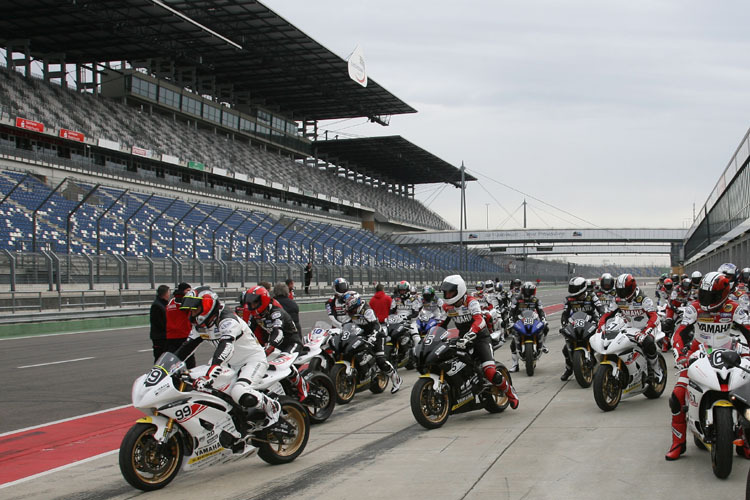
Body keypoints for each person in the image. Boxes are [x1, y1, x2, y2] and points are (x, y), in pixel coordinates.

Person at [665, 272, 750, 460]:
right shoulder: (693, 308)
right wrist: (680, 355)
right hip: (697, 354)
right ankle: (678, 443)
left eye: (710, 296)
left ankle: (744, 442)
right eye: (703, 294)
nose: (704, 299)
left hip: (729, 354)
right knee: (677, 397)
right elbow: (679, 333)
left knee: (745, 394)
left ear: (723, 294)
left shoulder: (735, 309)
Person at [176, 287, 281, 429]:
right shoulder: (200, 325)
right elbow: (185, 349)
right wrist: (162, 368)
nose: (192, 313)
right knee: (199, 388)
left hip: (251, 360)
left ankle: (272, 407)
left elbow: (227, 345)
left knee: (240, 392)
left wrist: (212, 370)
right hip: (228, 363)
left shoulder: (228, 320)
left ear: (206, 306)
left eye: (195, 309)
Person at [438, 275, 519, 409]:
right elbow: (441, 324)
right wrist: (430, 336)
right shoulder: (448, 307)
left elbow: (479, 320)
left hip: (480, 338)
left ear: (459, 290)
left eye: (450, 291)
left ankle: (511, 393)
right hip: (463, 339)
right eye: (446, 291)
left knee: (490, 372)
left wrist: (471, 333)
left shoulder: (471, 302)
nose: (447, 294)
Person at [597, 274, 663, 384]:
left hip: (647, 326)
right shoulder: (617, 299)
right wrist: (601, 325)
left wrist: (645, 331)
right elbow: (607, 314)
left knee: (648, 342)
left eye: (625, 290)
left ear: (631, 288)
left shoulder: (643, 299)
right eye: (620, 291)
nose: (622, 294)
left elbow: (654, 316)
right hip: (628, 327)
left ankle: (657, 370)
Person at [243, 285, 306, 398]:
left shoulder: (276, 312)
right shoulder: (256, 315)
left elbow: (278, 332)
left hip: (292, 342)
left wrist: (269, 347)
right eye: (250, 303)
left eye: (254, 303)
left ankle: (303, 387)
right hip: (276, 344)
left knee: (283, 363)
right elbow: (248, 333)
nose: (251, 306)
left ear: (263, 301)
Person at [343, 292, 402, 393]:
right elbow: (346, 324)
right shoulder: (350, 311)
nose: (347, 305)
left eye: (349, 303)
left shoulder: (366, 310)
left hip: (376, 335)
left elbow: (376, 325)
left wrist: (373, 335)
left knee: (380, 359)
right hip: (361, 335)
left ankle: (396, 379)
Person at [559, 277, 605, 381]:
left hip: (591, 322)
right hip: (575, 322)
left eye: (574, 288)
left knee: (601, 343)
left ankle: (601, 367)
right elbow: (565, 314)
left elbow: (600, 308)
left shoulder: (592, 296)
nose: (572, 291)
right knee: (566, 349)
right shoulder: (568, 299)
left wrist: (602, 318)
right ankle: (569, 368)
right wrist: (563, 324)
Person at [509, 281, 549, 371]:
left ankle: (543, 344)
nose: (527, 293)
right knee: (513, 343)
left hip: (533, 319)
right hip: (519, 320)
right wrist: (510, 320)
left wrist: (543, 319)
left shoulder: (536, 300)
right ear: (522, 290)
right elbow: (512, 311)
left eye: (530, 291)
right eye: (526, 291)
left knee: (545, 328)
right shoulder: (517, 299)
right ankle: (515, 365)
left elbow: (541, 311)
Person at [165, 282, 195, 368]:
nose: (190, 292)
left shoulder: (171, 301)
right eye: (188, 290)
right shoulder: (186, 301)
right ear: (183, 291)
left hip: (171, 336)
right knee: (189, 361)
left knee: (173, 361)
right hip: (183, 334)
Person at [149, 285, 170, 362]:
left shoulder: (164, 304)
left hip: (163, 335)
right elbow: (160, 322)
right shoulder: (157, 306)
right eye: (168, 292)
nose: (169, 294)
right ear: (165, 293)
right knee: (159, 357)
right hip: (159, 337)